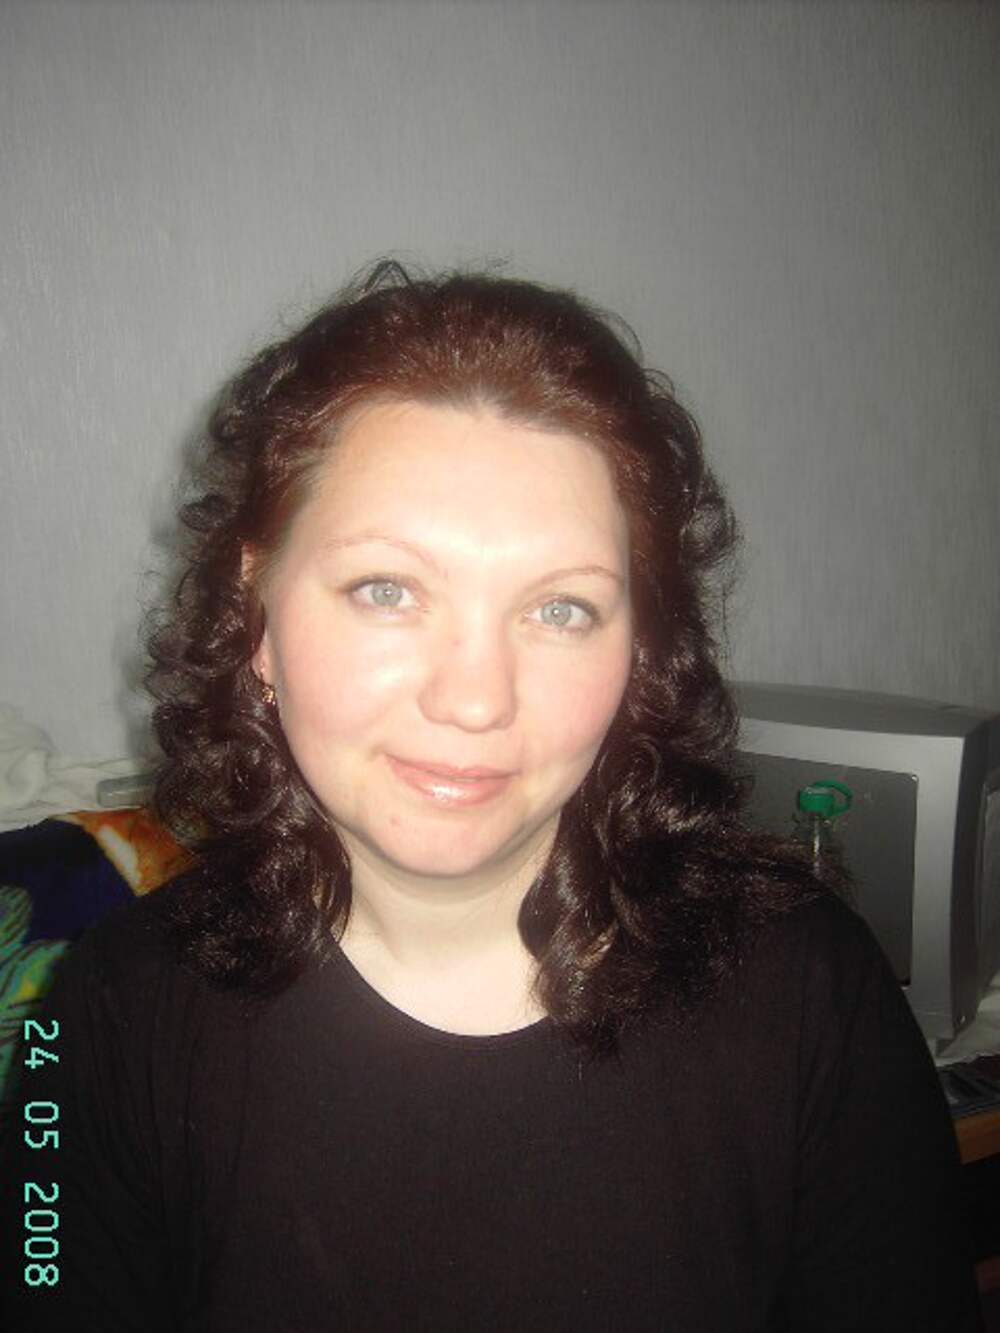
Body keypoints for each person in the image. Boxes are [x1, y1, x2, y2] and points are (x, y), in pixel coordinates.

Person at [1, 260, 982, 1330]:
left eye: (560, 609)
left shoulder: (811, 995)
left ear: (639, 648)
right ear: (257, 617)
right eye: (387, 589)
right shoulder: (99, 1019)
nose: (475, 699)